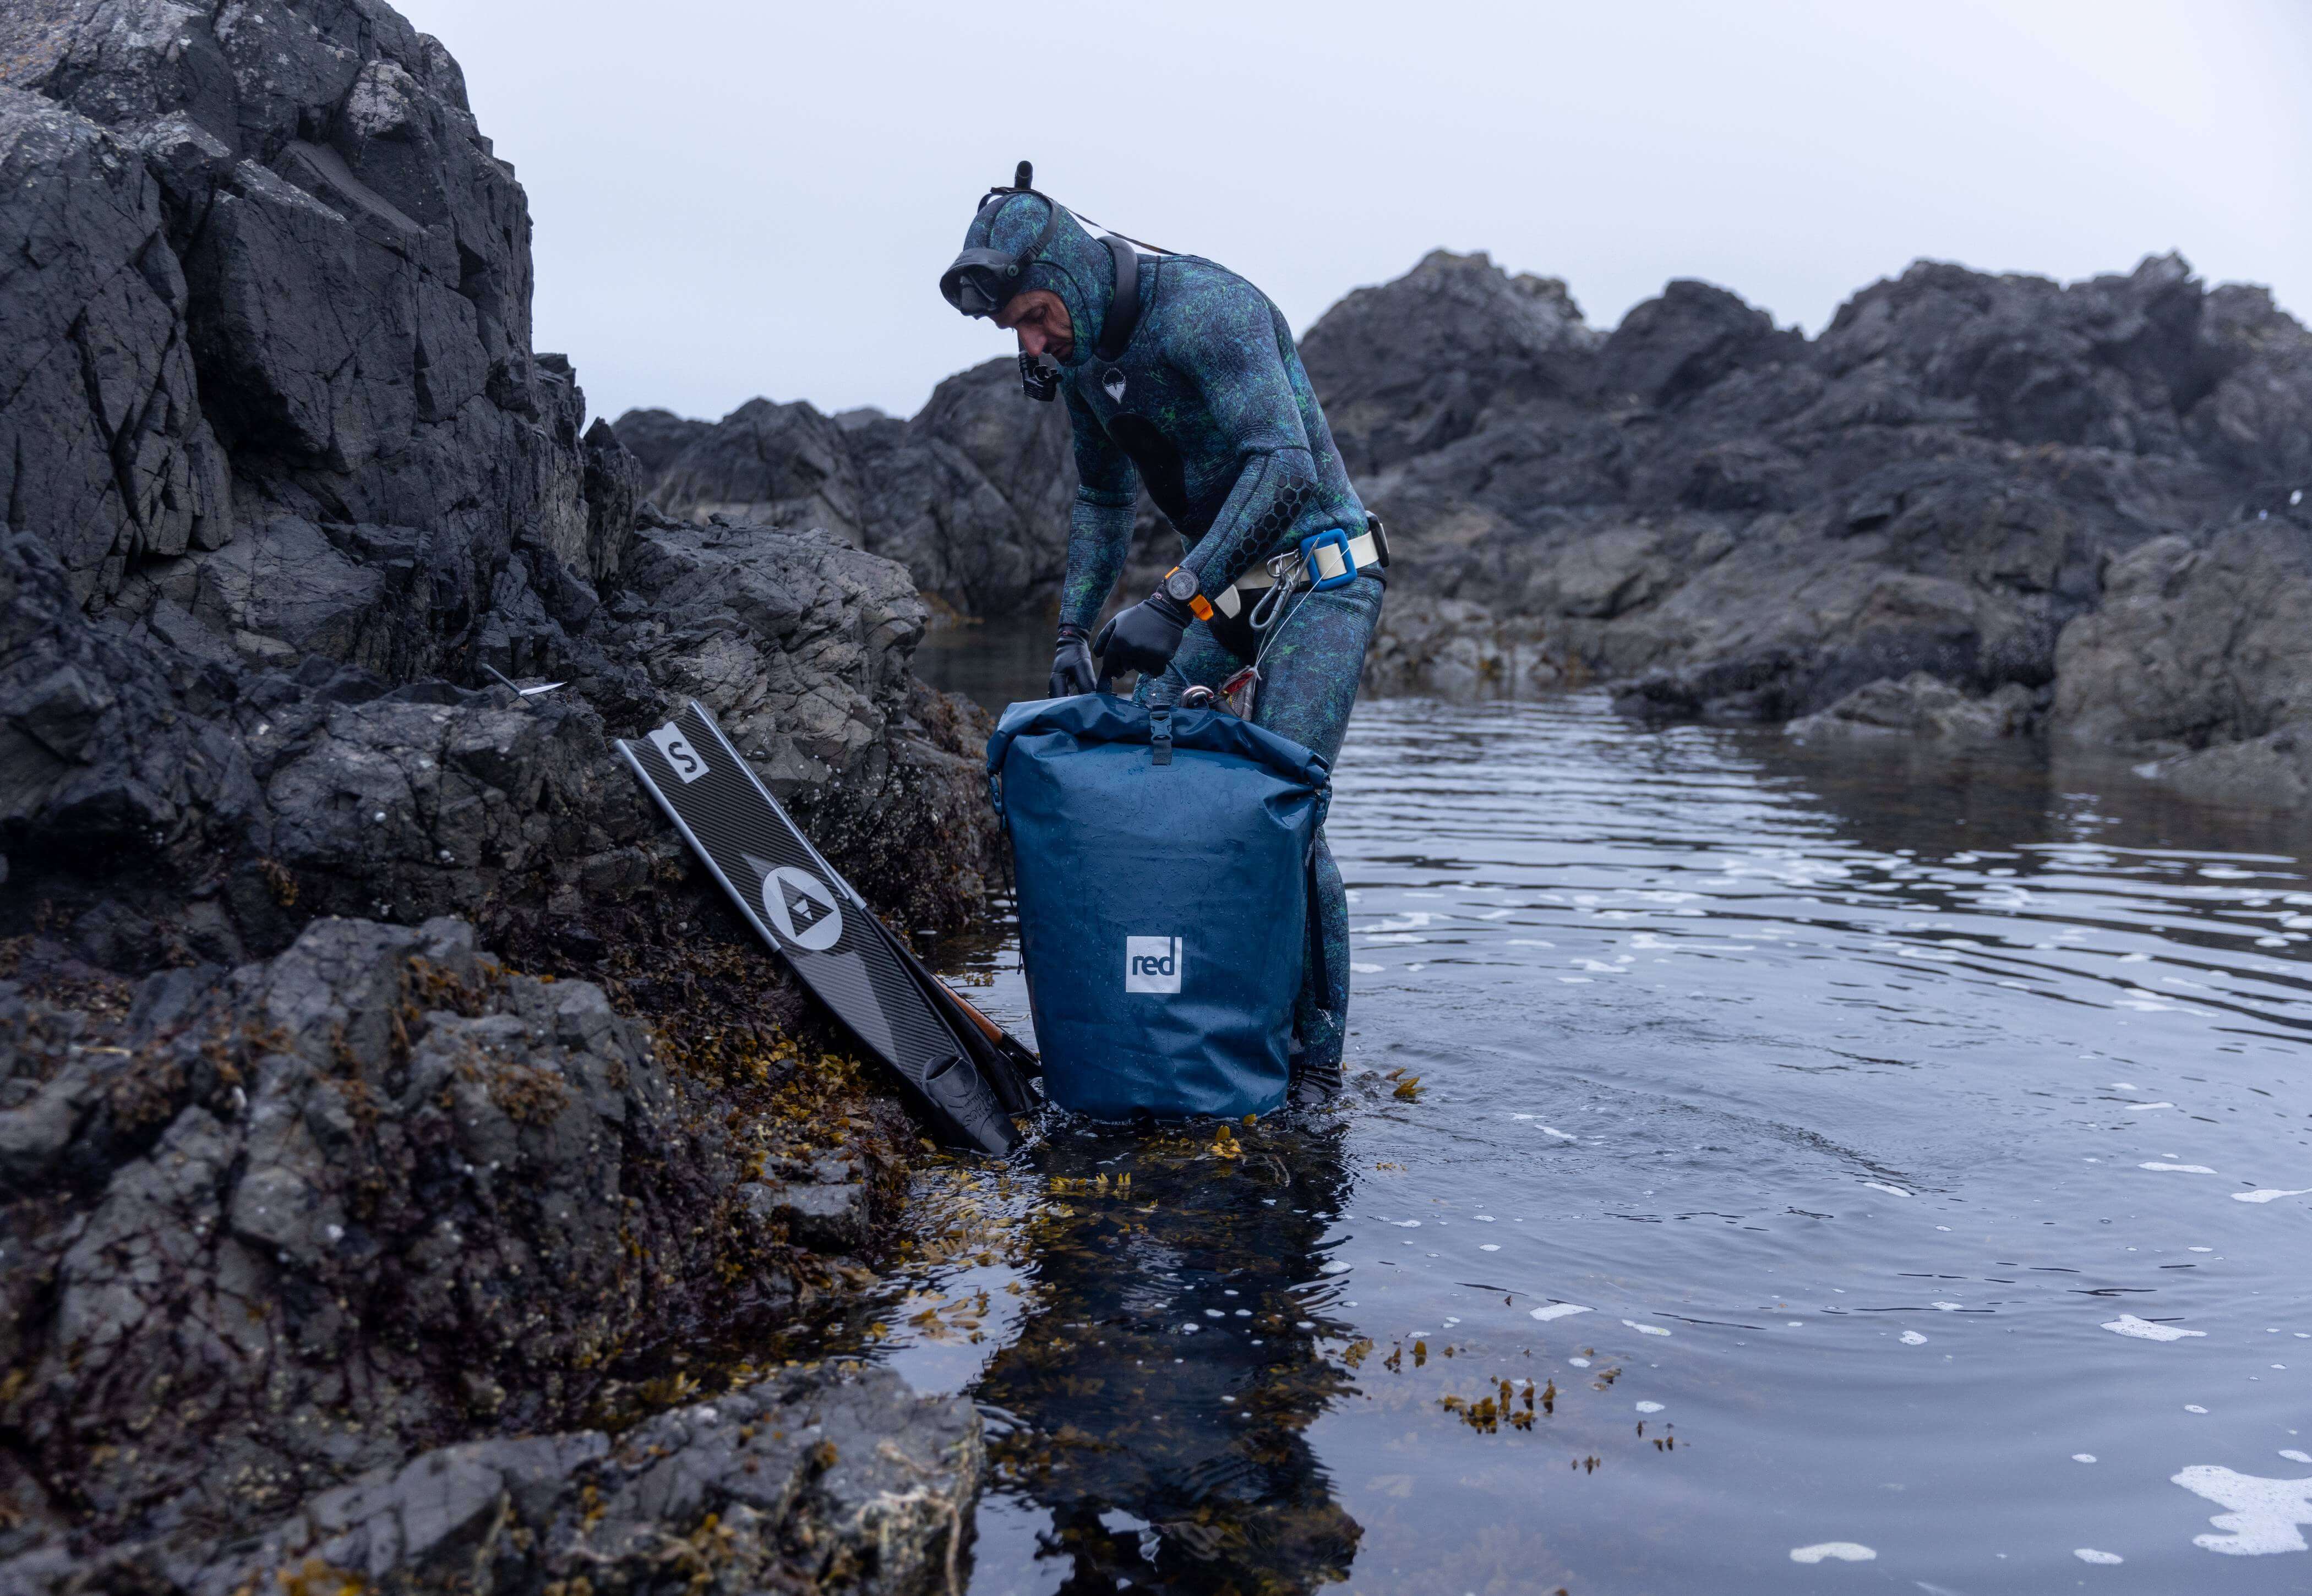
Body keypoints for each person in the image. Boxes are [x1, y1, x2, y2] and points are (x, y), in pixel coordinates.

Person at [941, 164, 1384, 1086]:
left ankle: (1315, 1071)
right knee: (1145, 758)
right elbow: (1103, 500)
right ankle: (1168, 1010)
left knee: (1287, 807)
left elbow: (1285, 469)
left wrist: (1173, 601)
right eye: (1016, 329)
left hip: (1326, 572)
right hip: (1232, 587)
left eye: (1034, 315)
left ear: (1071, 273)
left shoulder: (1208, 310)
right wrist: (1069, 634)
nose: (1031, 342)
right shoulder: (1080, 364)